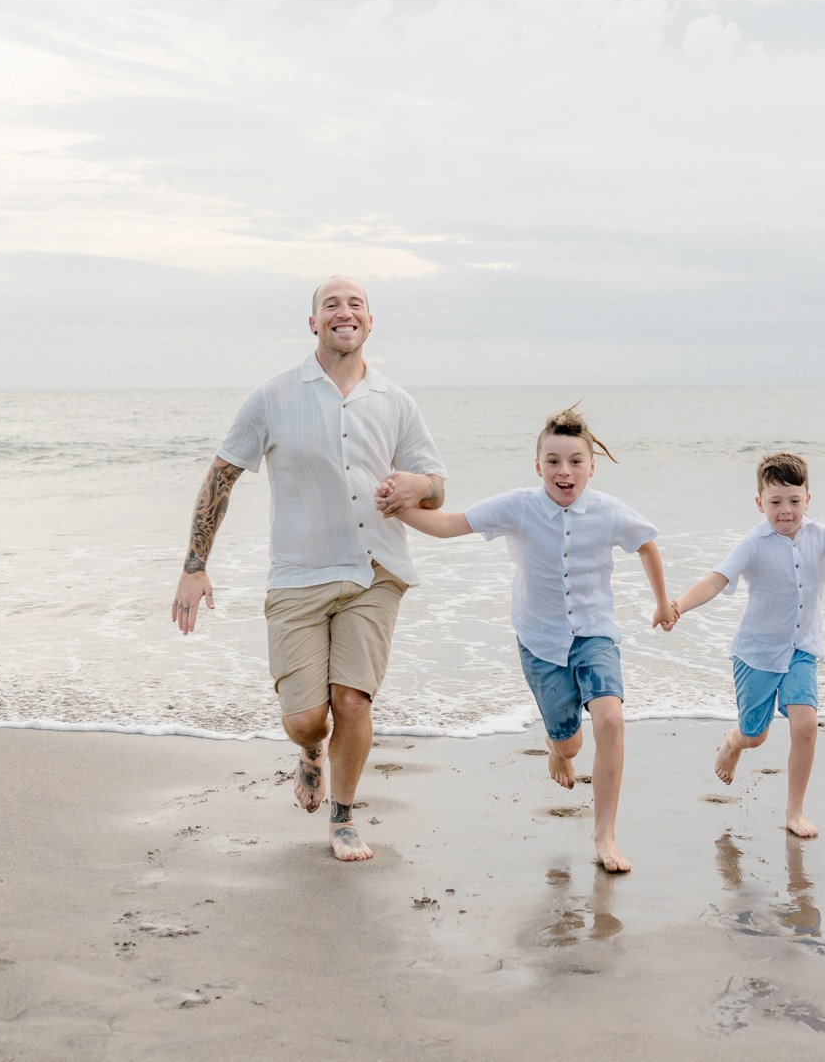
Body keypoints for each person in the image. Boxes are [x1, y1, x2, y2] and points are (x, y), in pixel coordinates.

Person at [170, 276, 446, 863]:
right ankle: (310, 754)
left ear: (370, 321)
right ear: (313, 323)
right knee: (305, 719)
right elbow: (222, 475)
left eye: (355, 304)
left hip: (375, 571)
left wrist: (417, 484)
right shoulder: (273, 396)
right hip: (298, 575)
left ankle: (344, 816)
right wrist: (195, 566)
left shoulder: (396, 402)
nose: (344, 312)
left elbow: (436, 486)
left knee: (353, 701)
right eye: (331, 304)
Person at [392, 406, 671, 873]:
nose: (565, 471)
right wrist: (397, 508)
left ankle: (605, 835)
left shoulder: (608, 511)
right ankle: (555, 745)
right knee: (571, 747)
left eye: (576, 460)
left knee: (611, 721)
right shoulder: (518, 507)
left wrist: (662, 603)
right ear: (537, 465)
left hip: (595, 633)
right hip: (540, 640)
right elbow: (449, 524)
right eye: (554, 461)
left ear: (591, 466)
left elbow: (646, 544)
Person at [673, 452, 825, 839]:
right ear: (759, 503)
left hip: (801, 649)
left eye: (794, 501)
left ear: (808, 500)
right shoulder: (752, 543)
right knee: (756, 735)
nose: (786, 510)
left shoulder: (822, 537)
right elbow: (716, 580)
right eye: (775, 502)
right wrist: (679, 605)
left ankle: (794, 811)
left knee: (806, 725)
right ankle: (734, 741)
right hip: (757, 654)